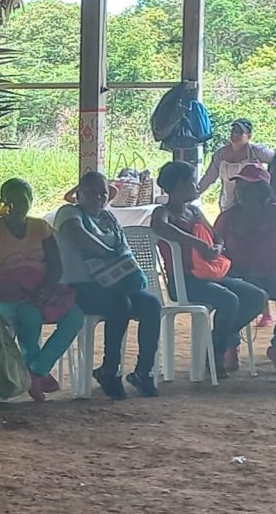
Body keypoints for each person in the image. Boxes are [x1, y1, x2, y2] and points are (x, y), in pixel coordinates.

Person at [0, 179, 84, 401]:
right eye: (12, 201)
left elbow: (56, 265)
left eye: (23, 200)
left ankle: (36, 371)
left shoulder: (40, 227)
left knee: (75, 317)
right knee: (28, 315)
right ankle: (36, 374)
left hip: (41, 290)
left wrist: (47, 288)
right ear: (3, 203)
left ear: (31, 202)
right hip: (7, 294)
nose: (18, 206)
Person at [54, 171, 162, 399]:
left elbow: (123, 250)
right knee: (119, 305)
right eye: (91, 193)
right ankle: (109, 370)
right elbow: (80, 237)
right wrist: (113, 256)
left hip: (111, 284)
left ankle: (144, 371)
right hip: (76, 287)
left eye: (102, 193)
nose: (98, 198)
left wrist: (116, 261)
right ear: (78, 195)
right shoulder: (68, 213)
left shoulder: (108, 219)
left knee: (151, 304)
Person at [153, 160, 267, 376]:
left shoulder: (194, 212)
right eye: (191, 182)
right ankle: (216, 353)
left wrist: (217, 247)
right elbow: (159, 227)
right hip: (185, 281)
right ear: (176, 186)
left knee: (256, 297)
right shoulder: (163, 212)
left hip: (210, 274)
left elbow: (217, 236)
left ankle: (215, 342)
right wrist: (195, 243)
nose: (196, 186)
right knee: (229, 299)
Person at [214, 163, 276, 361]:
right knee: (236, 296)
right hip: (238, 277)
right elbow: (216, 252)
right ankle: (229, 343)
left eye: (249, 188)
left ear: (263, 191)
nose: (242, 192)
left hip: (271, 274)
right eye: (240, 186)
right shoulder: (227, 218)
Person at [198, 119, 275, 212]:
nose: (235, 134)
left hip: (251, 206)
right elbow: (209, 178)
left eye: (240, 132)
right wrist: (194, 193)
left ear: (249, 136)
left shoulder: (256, 151)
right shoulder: (221, 154)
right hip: (227, 205)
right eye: (233, 130)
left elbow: (274, 159)